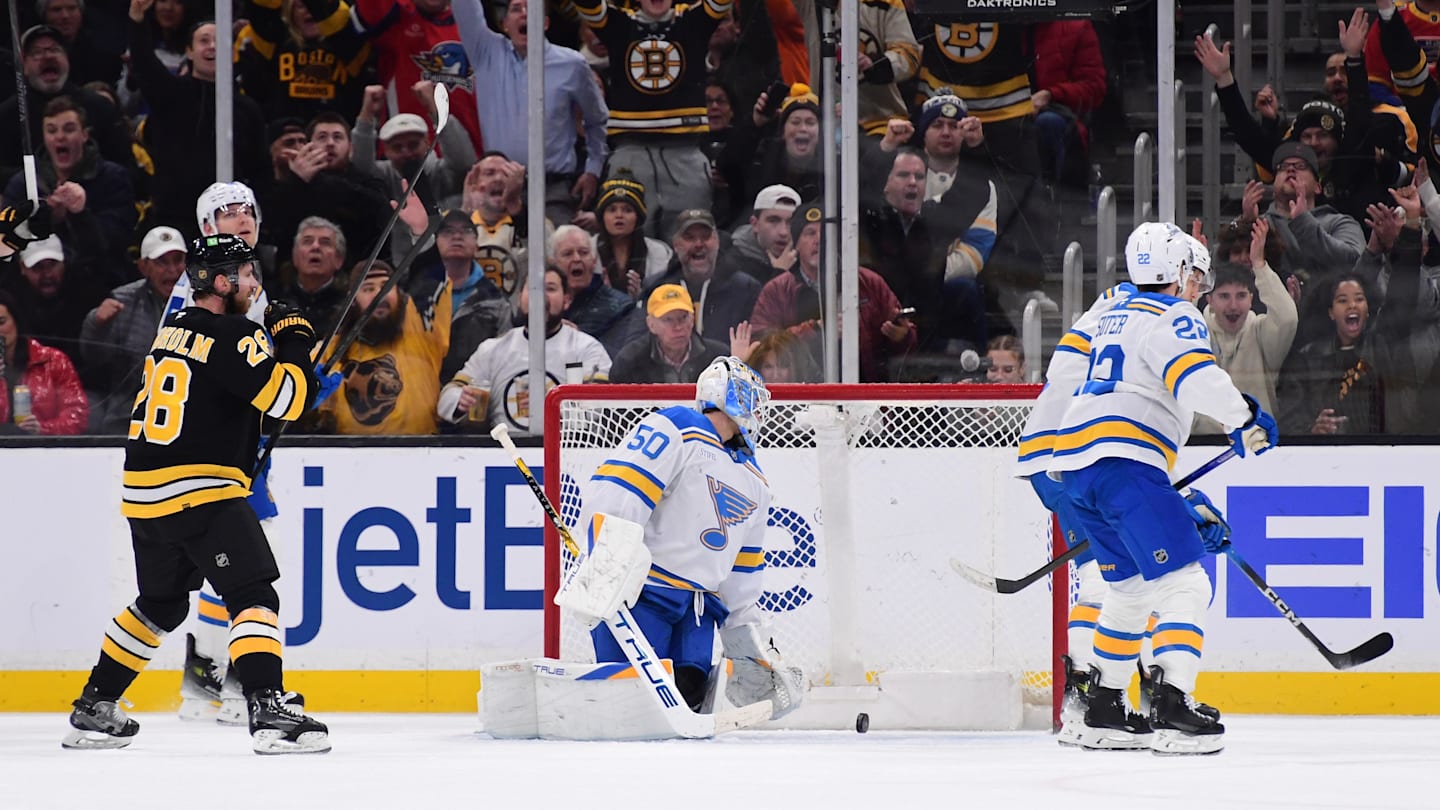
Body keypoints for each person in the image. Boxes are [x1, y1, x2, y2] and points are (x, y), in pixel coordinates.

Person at [60, 233, 329, 754]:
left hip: (143, 494)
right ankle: (268, 709)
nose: (255, 286)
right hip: (200, 492)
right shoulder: (234, 334)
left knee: (160, 604)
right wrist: (294, 339)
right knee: (252, 595)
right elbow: (289, 400)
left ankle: (95, 703)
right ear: (223, 282)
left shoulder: (171, 333)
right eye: (248, 275)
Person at [1049, 221, 1279, 755]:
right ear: (1175, 273)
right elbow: (1194, 377)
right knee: (1186, 584)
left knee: (1130, 589)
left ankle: (1103, 706)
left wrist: (1167, 491)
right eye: (1194, 275)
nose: (1198, 286)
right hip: (1125, 465)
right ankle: (1173, 704)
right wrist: (1242, 417)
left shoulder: (1111, 313)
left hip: (1079, 465)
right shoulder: (1172, 314)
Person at [575, 354, 805, 718]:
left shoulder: (756, 480)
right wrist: (608, 561)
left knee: (690, 698)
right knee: (629, 700)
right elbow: (621, 490)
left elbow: (743, 568)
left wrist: (743, 634)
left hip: (699, 609)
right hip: (643, 594)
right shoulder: (679, 426)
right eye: (753, 397)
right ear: (732, 395)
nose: (760, 410)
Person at [571, 0, 727, 238]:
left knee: (692, 239)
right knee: (627, 242)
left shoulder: (693, 21)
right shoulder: (619, 23)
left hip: (686, 156)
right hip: (630, 155)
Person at [452, 0, 609, 226]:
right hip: (497, 189)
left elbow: (597, 120)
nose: (524, 14)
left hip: (552, 190)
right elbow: (465, 7)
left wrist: (593, 169)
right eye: (516, 9)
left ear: (545, 23)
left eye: (532, 9)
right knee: (495, 256)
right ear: (504, 23)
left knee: (558, 255)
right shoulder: (485, 51)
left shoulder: (573, 64)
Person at [437, 265, 609, 435]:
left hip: (566, 455)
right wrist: (459, 400)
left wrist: (553, 405)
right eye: (532, 288)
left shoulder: (586, 348)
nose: (539, 296)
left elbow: (602, 407)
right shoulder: (493, 349)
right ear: (520, 298)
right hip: (502, 455)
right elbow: (446, 400)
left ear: (566, 300)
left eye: (550, 288)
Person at [315, 260, 453, 435]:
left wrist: (421, 238)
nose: (380, 295)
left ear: (400, 295)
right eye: (368, 289)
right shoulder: (330, 350)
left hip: (422, 454)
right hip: (350, 457)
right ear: (353, 300)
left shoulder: (422, 337)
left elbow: (433, 284)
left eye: (387, 287)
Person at [81, 226, 189, 433]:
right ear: (143, 267)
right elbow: (94, 358)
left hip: (188, 413)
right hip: (129, 414)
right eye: (162, 262)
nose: (173, 270)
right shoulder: (123, 301)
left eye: (178, 260)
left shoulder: (203, 300)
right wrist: (97, 325)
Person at [0, 288, 88, 435]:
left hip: (45, 450)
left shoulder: (54, 361)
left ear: (16, 321)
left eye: (1, 322)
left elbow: (78, 416)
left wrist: (42, 429)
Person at [608, 284, 731, 383]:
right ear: (651, 324)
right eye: (668, 319)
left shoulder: (719, 358)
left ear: (692, 319)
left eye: (683, 317)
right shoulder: (629, 362)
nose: (678, 326)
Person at [594, 170, 673, 296]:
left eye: (627, 210)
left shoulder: (659, 253)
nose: (619, 215)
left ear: (638, 217)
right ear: (602, 216)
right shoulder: (586, 249)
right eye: (612, 210)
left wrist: (641, 297)